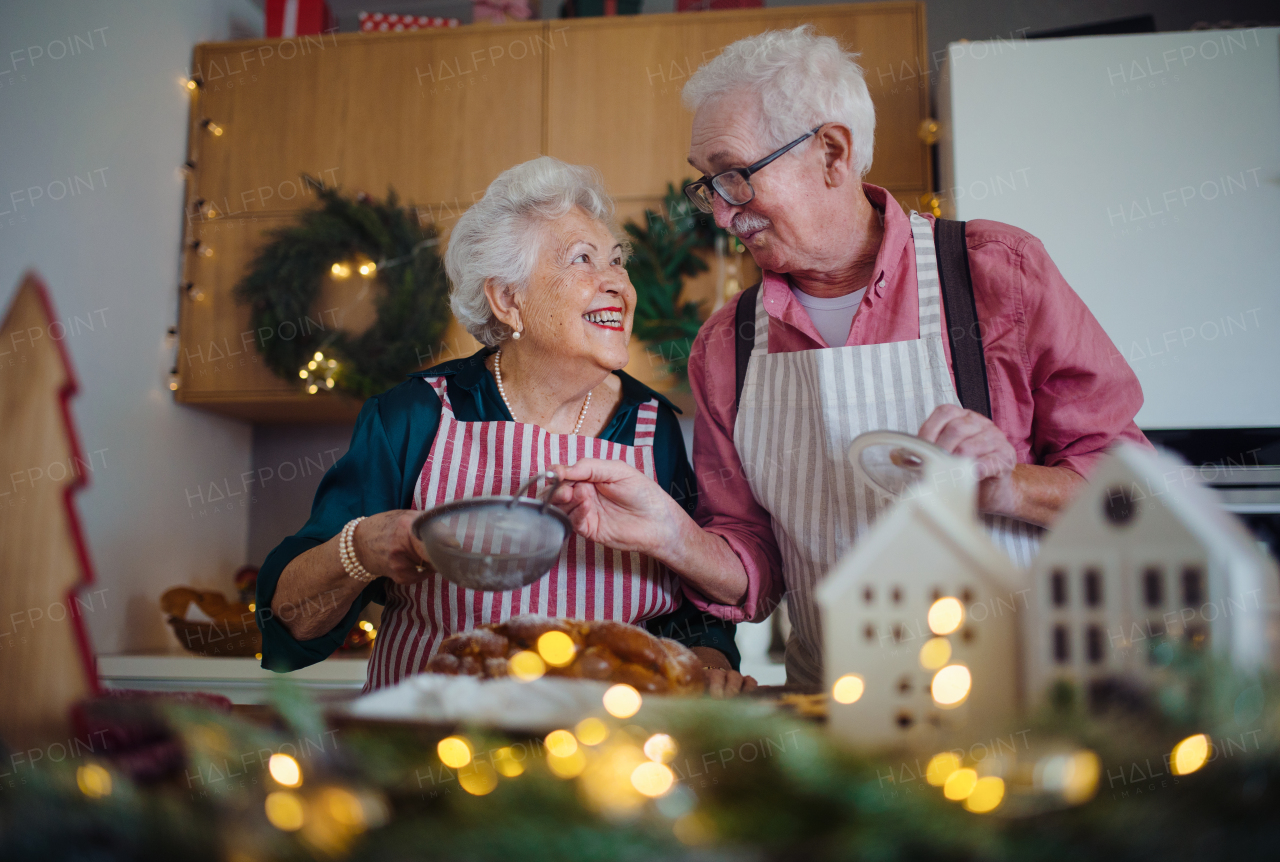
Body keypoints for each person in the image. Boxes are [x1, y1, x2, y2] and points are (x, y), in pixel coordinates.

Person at [550, 27, 1153, 690]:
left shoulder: (995, 275)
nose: (721, 216)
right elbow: (756, 564)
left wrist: (1012, 486)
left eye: (734, 177)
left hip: (1026, 702)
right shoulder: (726, 346)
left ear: (832, 154)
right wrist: (670, 534)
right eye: (708, 186)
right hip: (836, 719)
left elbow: (1132, 495)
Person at [256, 157, 755, 696]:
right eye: (583, 260)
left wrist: (703, 666)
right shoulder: (416, 414)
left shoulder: (652, 426)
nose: (617, 284)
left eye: (618, 261)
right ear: (508, 299)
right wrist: (363, 547)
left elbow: (692, 609)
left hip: (605, 752)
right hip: (433, 749)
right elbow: (291, 625)